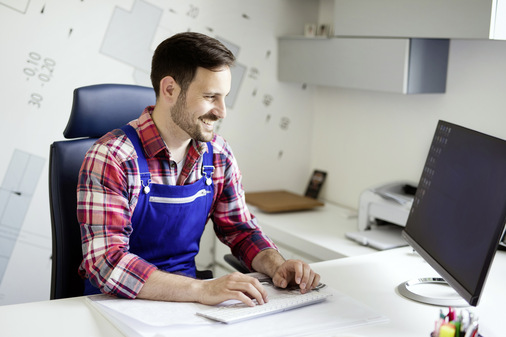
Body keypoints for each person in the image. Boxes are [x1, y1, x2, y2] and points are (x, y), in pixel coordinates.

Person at [77, 32, 320, 307]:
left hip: (188, 306)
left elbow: (240, 229)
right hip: (115, 306)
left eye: (224, 97)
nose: (221, 111)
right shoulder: (112, 158)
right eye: (210, 96)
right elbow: (106, 263)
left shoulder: (219, 155)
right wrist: (201, 290)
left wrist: (276, 265)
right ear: (169, 89)